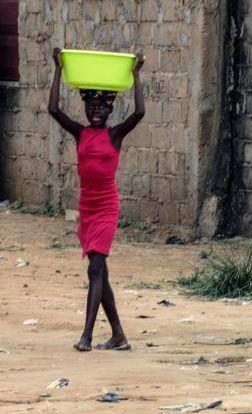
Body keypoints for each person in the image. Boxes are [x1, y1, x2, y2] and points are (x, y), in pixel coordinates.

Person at [48, 47, 145, 352]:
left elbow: (140, 113)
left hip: (106, 207)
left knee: (95, 270)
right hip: (87, 208)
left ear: (109, 111)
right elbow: (53, 109)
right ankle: (118, 335)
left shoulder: (115, 135)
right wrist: (59, 69)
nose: (96, 110)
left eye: (102, 107)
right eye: (91, 105)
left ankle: (87, 335)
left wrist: (136, 74)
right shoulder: (80, 133)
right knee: (99, 272)